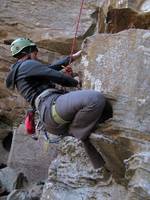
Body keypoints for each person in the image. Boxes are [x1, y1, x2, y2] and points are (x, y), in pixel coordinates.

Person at [6, 38, 110, 169]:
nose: (36, 55)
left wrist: (71, 58)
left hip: (50, 119)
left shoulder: (21, 70)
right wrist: (74, 81)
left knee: (96, 120)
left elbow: (49, 68)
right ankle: (75, 134)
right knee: (95, 99)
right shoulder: (26, 65)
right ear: (28, 52)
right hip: (51, 107)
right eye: (35, 52)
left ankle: (101, 166)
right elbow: (55, 75)